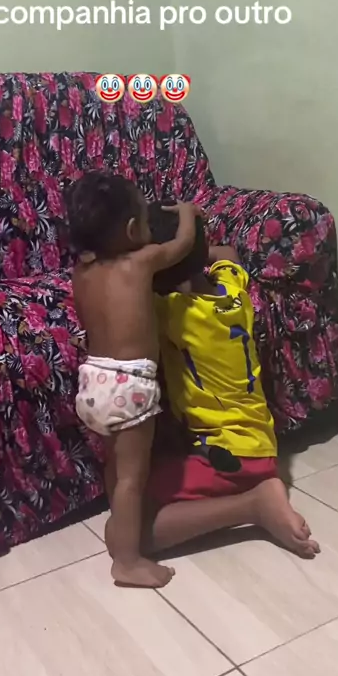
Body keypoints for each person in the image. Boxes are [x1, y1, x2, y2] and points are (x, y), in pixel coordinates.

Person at [123, 204, 320, 559]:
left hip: (227, 455)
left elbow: (128, 286)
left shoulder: (173, 311)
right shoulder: (233, 291)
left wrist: (176, 250)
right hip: (260, 445)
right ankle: (254, 490)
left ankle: (253, 505)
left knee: (133, 531)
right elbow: (227, 253)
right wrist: (192, 237)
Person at [65, 172, 200, 588]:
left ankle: (118, 525)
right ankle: (127, 561)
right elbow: (182, 245)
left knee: (116, 468)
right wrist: (187, 213)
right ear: (130, 230)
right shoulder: (141, 262)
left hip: (93, 382)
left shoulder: (81, 274)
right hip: (129, 386)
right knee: (132, 478)